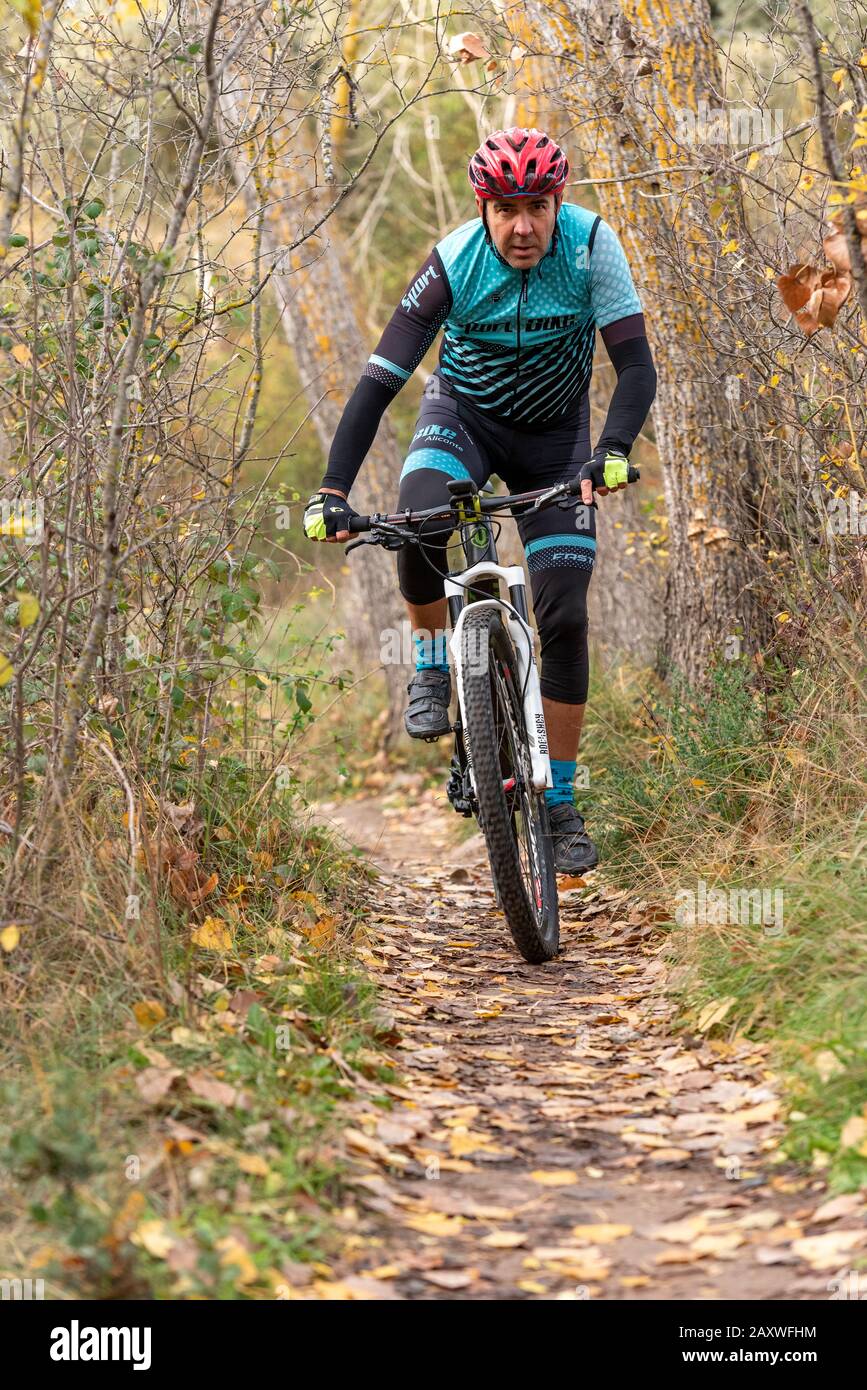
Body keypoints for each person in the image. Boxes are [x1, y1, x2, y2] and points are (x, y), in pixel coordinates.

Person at [303, 127, 656, 873]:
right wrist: (333, 490)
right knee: (418, 518)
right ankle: (433, 664)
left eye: (537, 207)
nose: (523, 227)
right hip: (462, 419)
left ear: (557, 202)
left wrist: (612, 451)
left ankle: (560, 804)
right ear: (483, 208)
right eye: (506, 210)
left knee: (564, 613)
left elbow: (635, 367)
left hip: (555, 441)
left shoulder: (592, 246)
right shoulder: (453, 262)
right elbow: (378, 382)